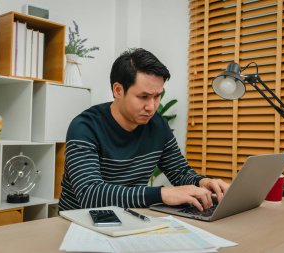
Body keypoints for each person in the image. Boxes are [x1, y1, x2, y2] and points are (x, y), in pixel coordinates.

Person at [59, 48, 229, 212]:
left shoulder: (157, 125)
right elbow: (90, 194)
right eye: (143, 97)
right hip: (78, 224)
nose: (152, 107)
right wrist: (161, 194)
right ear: (118, 90)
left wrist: (202, 182)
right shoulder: (85, 128)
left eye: (157, 96)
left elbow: (180, 173)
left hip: (129, 218)